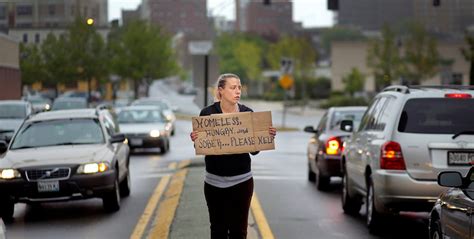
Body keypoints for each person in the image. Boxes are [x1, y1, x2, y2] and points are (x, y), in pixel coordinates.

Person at [190, 73, 277, 239]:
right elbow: (202, 147)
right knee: (218, 230)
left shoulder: (247, 113)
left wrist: (266, 136)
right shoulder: (207, 114)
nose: (238, 91)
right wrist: (196, 140)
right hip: (214, 183)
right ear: (220, 91)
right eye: (233, 87)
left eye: (239, 87)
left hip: (242, 182)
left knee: (239, 231)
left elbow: (254, 151)